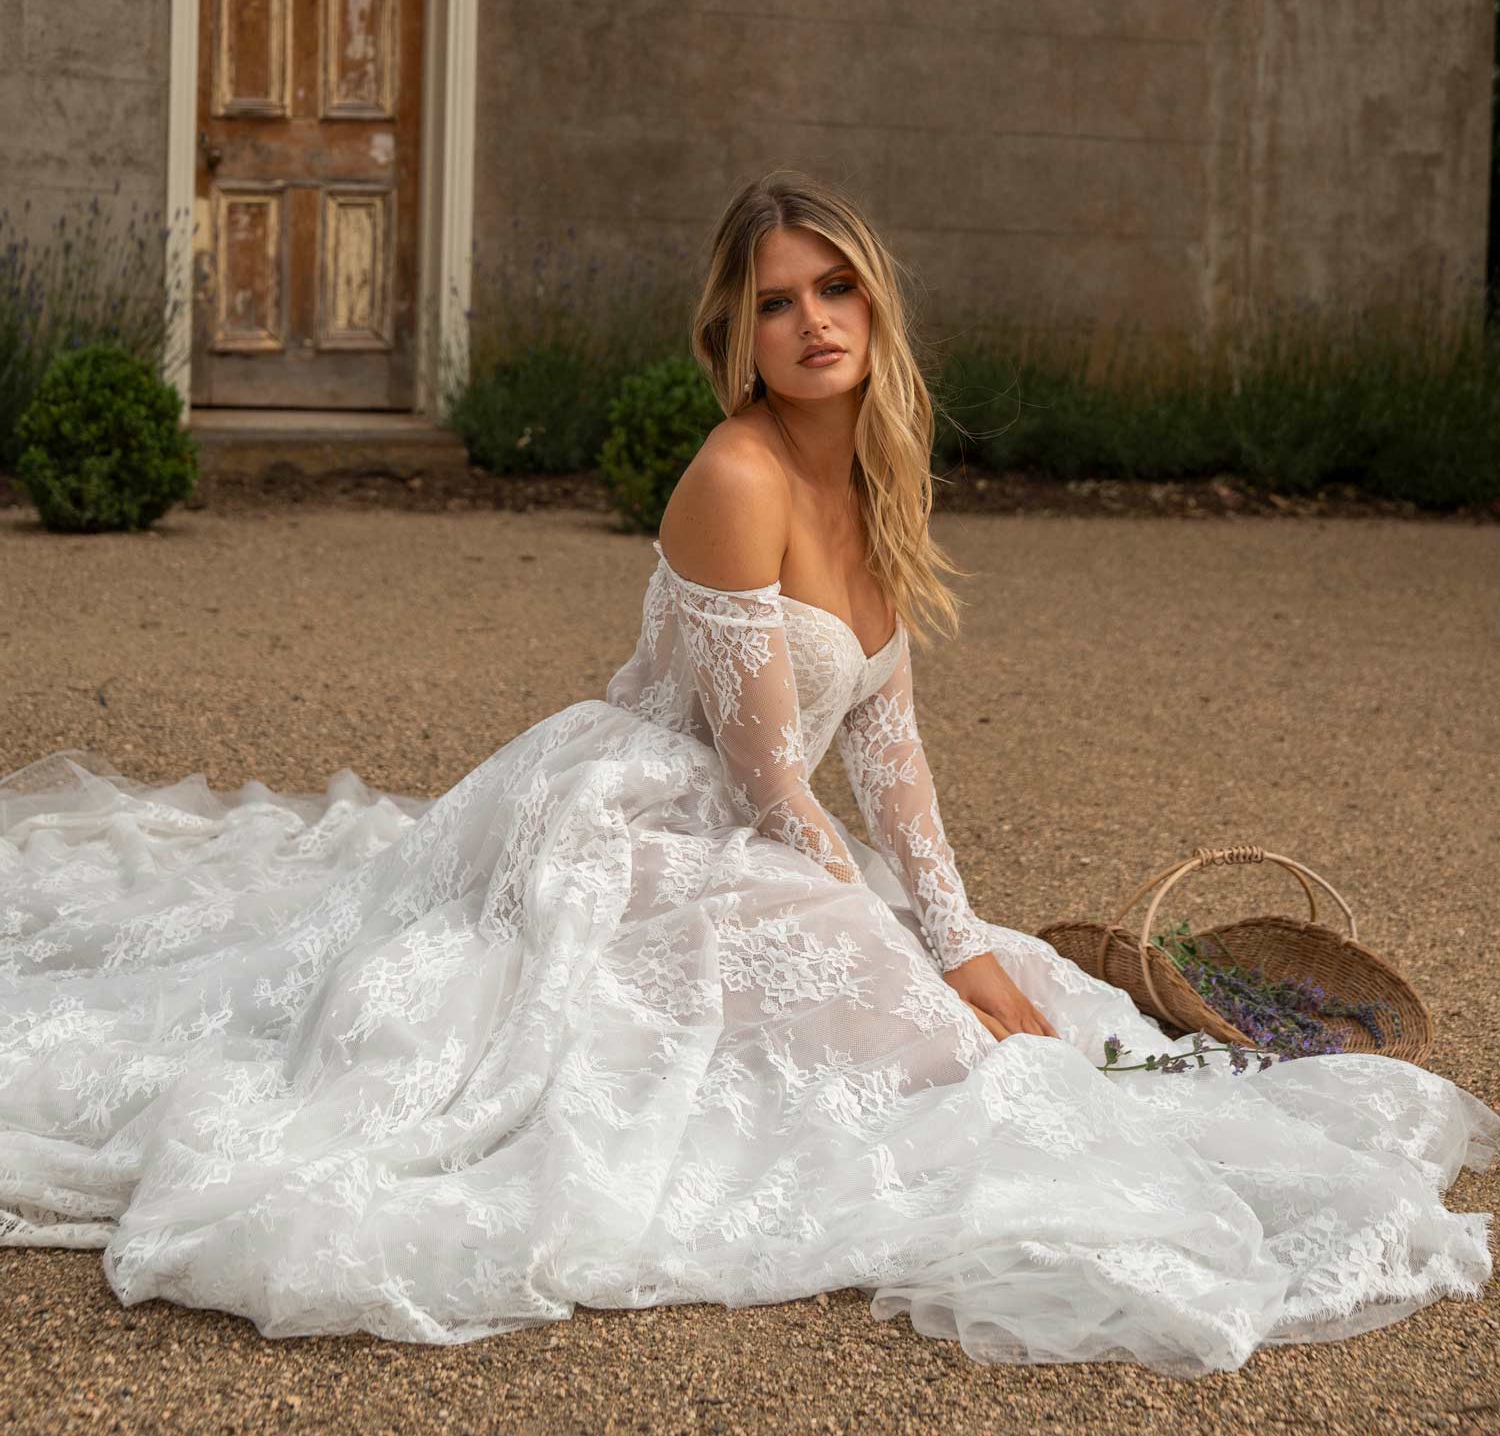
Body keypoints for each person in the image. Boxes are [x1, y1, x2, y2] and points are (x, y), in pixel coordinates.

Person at [0, 168, 1495, 1379]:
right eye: (778, 301)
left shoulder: (879, 480)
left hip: (750, 826)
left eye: (835, 287)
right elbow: (774, 783)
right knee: (916, 1050)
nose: (813, 320)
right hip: (646, 817)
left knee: (1003, 1000)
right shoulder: (737, 477)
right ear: (741, 333)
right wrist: (896, 952)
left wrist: (959, 937)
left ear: (875, 302)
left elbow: (890, 752)